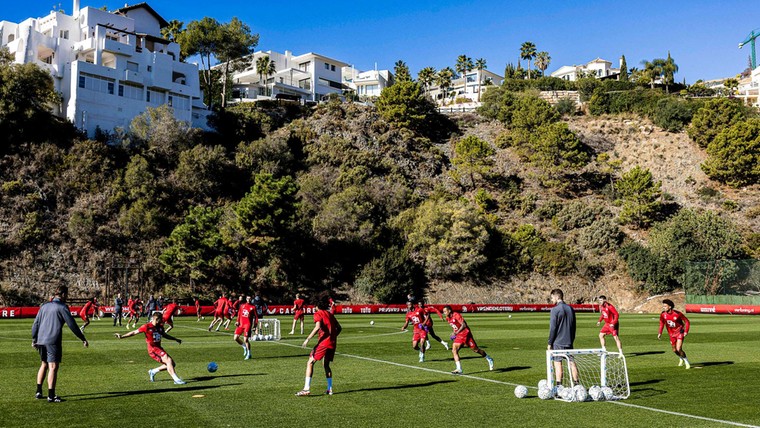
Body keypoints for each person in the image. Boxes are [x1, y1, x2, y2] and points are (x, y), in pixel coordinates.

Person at [31, 285, 89, 402]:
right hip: (53, 340)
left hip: (41, 340)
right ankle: (51, 396)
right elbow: (72, 324)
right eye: (66, 294)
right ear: (63, 294)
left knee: (44, 364)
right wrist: (82, 338)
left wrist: (34, 339)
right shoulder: (62, 307)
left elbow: (35, 324)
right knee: (53, 366)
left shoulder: (44, 306)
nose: (67, 297)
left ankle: (38, 391)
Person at [115, 312, 186, 385]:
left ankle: (153, 371)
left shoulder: (160, 326)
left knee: (171, 364)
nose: (162, 320)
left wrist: (175, 339)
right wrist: (122, 336)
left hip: (158, 348)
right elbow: (134, 332)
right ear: (156, 319)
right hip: (152, 349)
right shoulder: (146, 326)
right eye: (161, 319)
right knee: (168, 360)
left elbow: (164, 335)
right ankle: (176, 380)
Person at [296, 295, 342, 396]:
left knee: (310, 362)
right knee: (326, 365)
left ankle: (306, 389)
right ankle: (330, 389)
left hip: (323, 343)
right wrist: (332, 337)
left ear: (317, 306)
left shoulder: (318, 314)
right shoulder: (330, 314)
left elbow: (317, 327)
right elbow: (339, 328)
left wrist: (307, 339)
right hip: (332, 344)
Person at [442, 305, 493, 374]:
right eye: (443, 311)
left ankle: (489, 358)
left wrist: (456, 332)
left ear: (449, 310)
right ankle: (459, 369)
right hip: (459, 335)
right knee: (454, 350)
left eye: (445, 311)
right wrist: (454, 333)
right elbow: (455, 327)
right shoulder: (448, 318)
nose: (444, 313)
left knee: (476, 350)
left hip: (466, 334)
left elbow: (464, 325)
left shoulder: (456, 315)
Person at [548, 288, 578, 389]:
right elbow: (574, 326)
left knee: (558, 363)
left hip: (558, 342)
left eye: (552, 298)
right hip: (569, 340)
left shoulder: (555, 310)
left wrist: (550, 343)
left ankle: (559, 386)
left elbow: (553, 328)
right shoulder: (570, 309)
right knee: (572, 362)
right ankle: (577, 384)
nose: (551, 300)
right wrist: (571, 339)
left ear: (557, 297)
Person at [658, 299, 691, 369]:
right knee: (674, 350)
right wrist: (660, 333)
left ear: (669, 307)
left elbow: (687, 321)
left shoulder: (677, 314)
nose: (663, 307)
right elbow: (661, 323)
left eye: (665, 306)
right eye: (663, 306)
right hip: (671, 334)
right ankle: (681, 358)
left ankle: (686, 361)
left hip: (679, 332)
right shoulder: (663, 314)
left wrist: (686, 331)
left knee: (679, 349)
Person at [234, 296, 258, 360]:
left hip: (248, 324)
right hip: (241, 324)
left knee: (246, 340)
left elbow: (256, 317)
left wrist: (255, 326)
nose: (249, 300)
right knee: (235, 338)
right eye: (247, 298)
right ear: (246, 299)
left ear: (251, 299)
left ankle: (249, 353)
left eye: (250, 299)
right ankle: (244, 346)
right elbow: (239, 314)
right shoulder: (242, 306)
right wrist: (237, 321)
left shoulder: (253, 307)